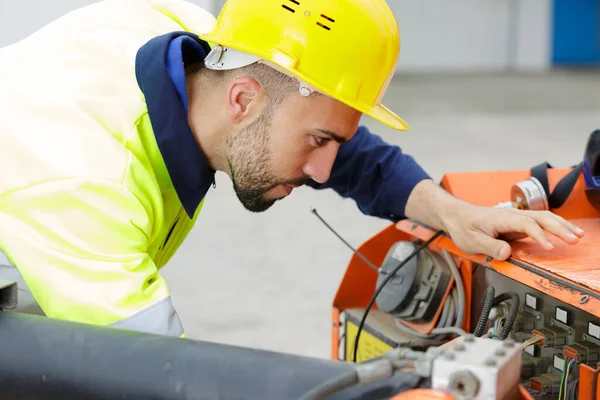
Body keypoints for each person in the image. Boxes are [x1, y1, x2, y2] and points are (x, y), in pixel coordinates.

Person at [0, 0, 584, 338]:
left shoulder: (191, 39)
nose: (326, 171)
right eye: (317, 140)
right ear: (242, 100)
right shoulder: (87, 184)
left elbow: (342, 146)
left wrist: (453, 212)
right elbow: (156, 369)